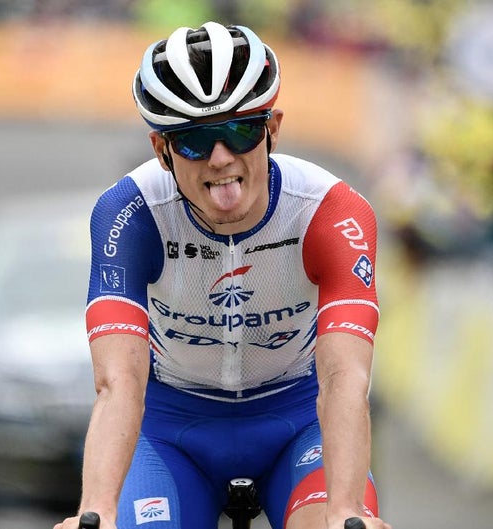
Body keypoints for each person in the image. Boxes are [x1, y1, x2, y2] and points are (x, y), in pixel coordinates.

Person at [55, 22, 391, 529]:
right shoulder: (131, 213)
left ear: (273, 129)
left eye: (241, 131)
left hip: (299, 423)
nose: (221, 158)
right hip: (171, 431)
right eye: (194, 140)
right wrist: (95, 510)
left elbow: (344, 378)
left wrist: (345, 510)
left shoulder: (329, 211)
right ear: (161, 149)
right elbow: (119, 382)